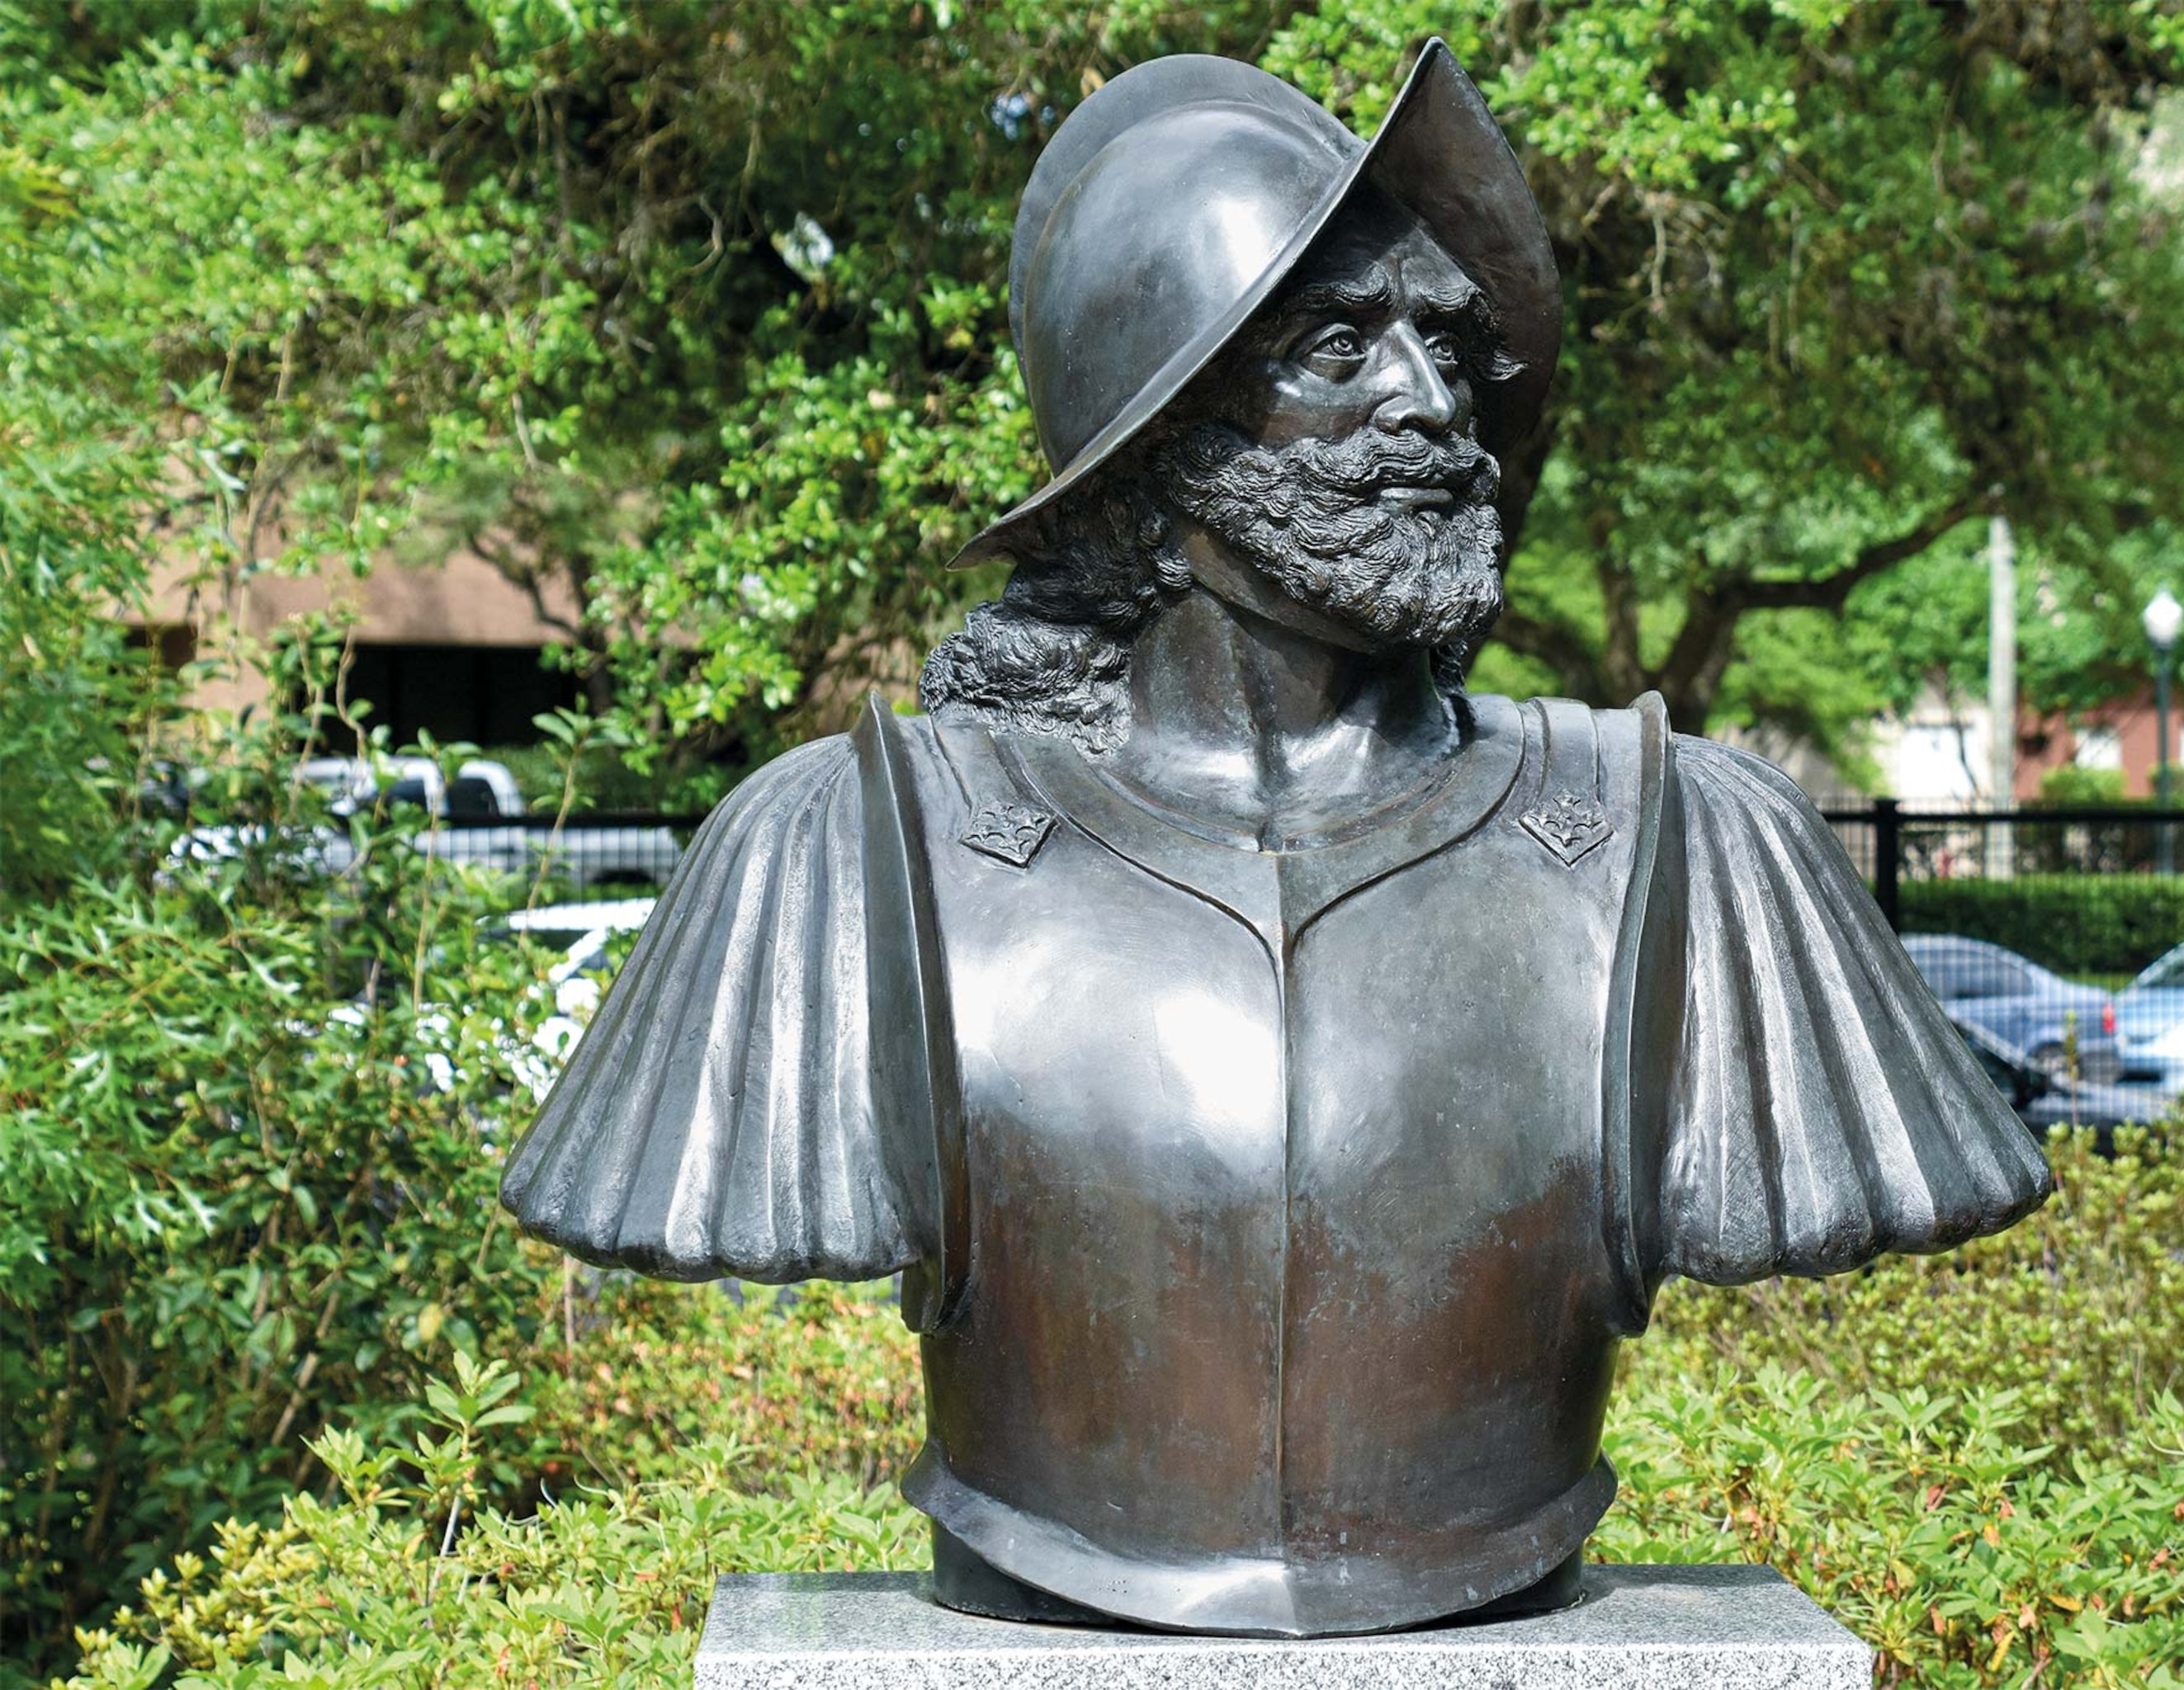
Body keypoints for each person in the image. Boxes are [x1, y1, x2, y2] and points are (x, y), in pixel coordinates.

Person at [502, 41, 2049, 1639]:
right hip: (1031, 1601)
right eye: (1337, 346)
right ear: (1161, 439)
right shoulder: (843, 856)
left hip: (1504, 1598)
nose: (1434, 406)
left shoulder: (1695, 845)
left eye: (1448, 346)